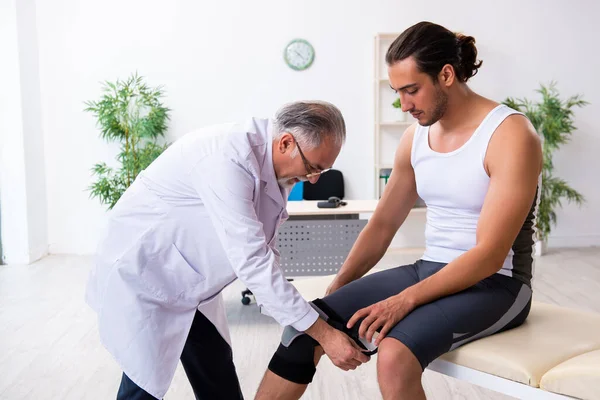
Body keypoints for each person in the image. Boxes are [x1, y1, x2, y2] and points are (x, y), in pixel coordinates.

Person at [255, 21, 543, 400]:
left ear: (446, 75)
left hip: (497, 285)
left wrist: (404, 300)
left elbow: (489, 256)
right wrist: (341, 287)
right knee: (305, 328)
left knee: (394, 355)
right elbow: (384, 223)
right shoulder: (416, 137)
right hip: (430, 268)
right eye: (398, 92)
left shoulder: (510, 135)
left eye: (412, 90)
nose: (405, 105)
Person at [85, 100, 370, 400]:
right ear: (286, 142)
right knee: (141, 388)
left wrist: (299, 313)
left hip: (190, 283)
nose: (314, 179)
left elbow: (265, 248)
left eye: (323, 171)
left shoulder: (276, 167)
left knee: (217, 375)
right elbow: (252, 261)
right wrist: (322, 333)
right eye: (313, 167)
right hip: (147, 278)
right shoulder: (227, 158)